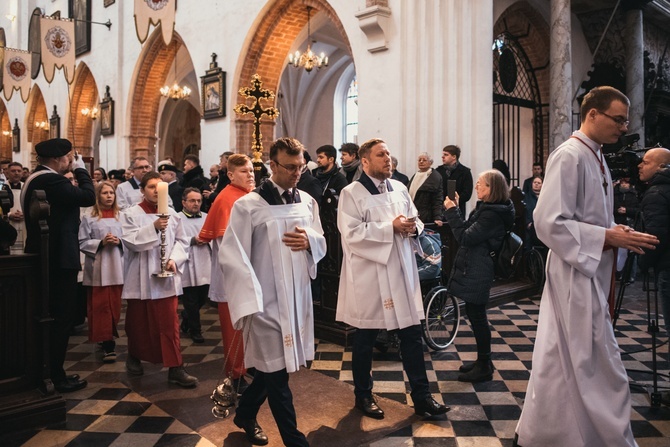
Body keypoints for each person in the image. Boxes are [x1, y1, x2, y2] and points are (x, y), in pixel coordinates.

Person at [514, 86, 659, 447]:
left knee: (571, 360)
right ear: (591, 114)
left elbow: (588, 217)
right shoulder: (569, 156)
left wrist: (614, 231)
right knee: (584, 360)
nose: (624, 127)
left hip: (589, 271)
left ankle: (559, 433)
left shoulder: (595, 156)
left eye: (625, 120)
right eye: (618, 119)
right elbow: (548, 222)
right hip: (573, 274)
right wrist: (607, 238)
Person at [220, 138, 326, 446]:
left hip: (296, 298)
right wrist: (250, 298)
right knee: (277, 376)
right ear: (272, 165)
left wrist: (311, 243)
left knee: (273, 369)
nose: (297, 173)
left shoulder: (307, 201)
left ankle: (245, 413)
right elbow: (232, 254)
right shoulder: (249, 205)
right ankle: (295, 440)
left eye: (301, 166)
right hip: (264, 301)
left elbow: (320, 238)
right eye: (290, 167)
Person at [336, 137, 448, 420]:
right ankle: (363, 395)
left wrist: (413, 228)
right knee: (366, 339)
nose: (388, 158)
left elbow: (415, 219)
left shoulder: (399, 187)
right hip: (371, 276)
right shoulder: (351, 193)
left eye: (388, 153)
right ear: (365, 161)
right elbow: (350, 234)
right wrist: (390, 227)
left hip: (400, 272)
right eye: (381, 154)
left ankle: (422, 398)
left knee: (411, 336)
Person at [22, 138, 95, 393]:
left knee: (52, 318)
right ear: (58, 159)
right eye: (69, 157)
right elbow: (88, 196)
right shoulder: (50, 180)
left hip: (46, 256)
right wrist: (82, 168)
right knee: (60, 319)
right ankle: (55, 375)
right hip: (57, 260)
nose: (71, 161)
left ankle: (53, 372)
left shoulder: (35, 178)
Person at [120, 171, 198, 388]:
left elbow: (182, 241)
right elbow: (130, 242)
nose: (156, 190)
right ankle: (134, 356)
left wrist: (175, 259)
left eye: (160, 186)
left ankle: (176, 368)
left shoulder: (173, 214)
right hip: (140, 276)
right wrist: (153, 227)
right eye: (152, 186)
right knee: (137, 323)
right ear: (142, 190)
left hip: (165, 277)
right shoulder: (130, 213)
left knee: (169, 324)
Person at [444, 169, 515, 382]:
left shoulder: (492, 214)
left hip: (480, 268)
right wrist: (456, 208)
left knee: (478, 317)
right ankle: (484, 361)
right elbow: (468, 229)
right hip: (476, 264)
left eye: (480, 184)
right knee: (476, 315)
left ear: (491, 189)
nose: (476, 187)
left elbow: (464, 237)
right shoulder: (488, 208)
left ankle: (484, 365)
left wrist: (451, 212)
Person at [199, 154, 256, 393]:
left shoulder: (250, 196)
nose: (251, 174)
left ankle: (250, 363)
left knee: (251, 323)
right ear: (231, 175)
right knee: (233, 325)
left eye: (252, 170)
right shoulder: (225, 199)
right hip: (232, 273)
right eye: (244, 171)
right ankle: (236, 373)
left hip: (251, 270)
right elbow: (226, 246)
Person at [79, 181, 124, 363]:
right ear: (98, 196)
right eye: (105, 193)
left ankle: (109, 336)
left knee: (114, 305)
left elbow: (131, 239)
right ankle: (107, 343)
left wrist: (119, 241)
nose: (109, 196)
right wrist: (100, 243)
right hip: (98, 267)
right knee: (100, 307)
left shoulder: (122, 216)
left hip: (117, 266)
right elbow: (82, 241)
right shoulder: (89, 217)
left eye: (111, 193)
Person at [637, 148, 670, 344]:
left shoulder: (657, 193)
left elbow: (656, 236)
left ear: (661, 167)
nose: (639, 166)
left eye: (646, 162)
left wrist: (643, 262)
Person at [179, 187, 210, 344]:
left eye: (199, 200)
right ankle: (195, 330)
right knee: (190, 299)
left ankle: (186, 316)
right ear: (183, 202)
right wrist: (192, 240)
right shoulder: (176, 219)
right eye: (192, 200)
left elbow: (214, 235)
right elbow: (175, 239)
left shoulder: (207, 217)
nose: (196, 203)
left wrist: (208, 239)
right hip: (187, 262)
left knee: (203, 298)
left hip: (204, 260)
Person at [614, 177, 640, 282]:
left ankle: (629, 275)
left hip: (629, 224)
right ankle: (618, 273)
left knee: (630, 251)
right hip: (617, 223)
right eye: (623, 182)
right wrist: (618, 210)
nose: (624, 184)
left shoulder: (634, 195)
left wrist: (627, 210)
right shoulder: (614, 195)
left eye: (626, 183)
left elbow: (638, 210)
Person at [435, 144, 473, 216]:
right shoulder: (438, 171)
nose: (442, 157)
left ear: (454, 157)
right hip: (440, 211)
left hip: (457, 210)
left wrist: (453, 202)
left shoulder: (465, 172)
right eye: (443, 154)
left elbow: (467, 193)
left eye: (446, 155)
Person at [407, 152, 443, 225]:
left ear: (430, 163)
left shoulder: (434, 177)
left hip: (426, 216)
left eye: (424, 160)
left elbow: (437, 199)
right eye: (419, 160)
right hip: (412, 213)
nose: (421, 162)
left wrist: (437, 217)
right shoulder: (416, 175)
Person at [6, 161, 25, 254]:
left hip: (24, 223)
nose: (16, 173)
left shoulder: (27, 186)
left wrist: (25, 214)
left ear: (22, 173)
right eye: (13, 171)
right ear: (7, 173)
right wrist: (9, 214)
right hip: (7, 222)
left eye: (19, 171)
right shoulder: (2, 187)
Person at [524, 176, 544, 249]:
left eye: (539, 183)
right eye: (534, 182)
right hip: (529, 229)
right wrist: (528, 223)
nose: (536, 184)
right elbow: (524, 211)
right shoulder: (526, 197)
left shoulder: (544, 197)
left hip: (542, 228)